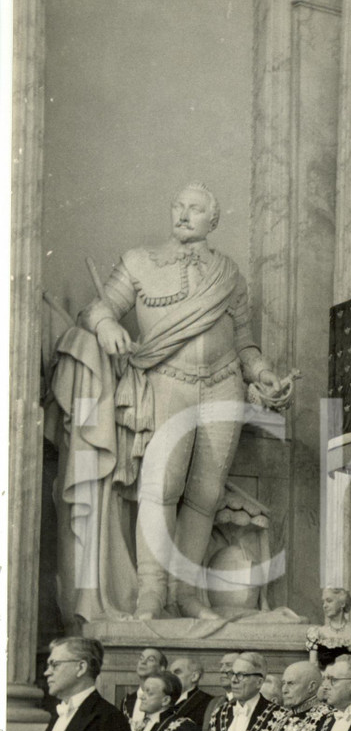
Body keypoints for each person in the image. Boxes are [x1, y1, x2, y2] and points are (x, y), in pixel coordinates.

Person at [53, 183, 288, 621]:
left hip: (224, 384)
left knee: (206, 492)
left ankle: (187, 594)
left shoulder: (229, 274)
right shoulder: (139, 261)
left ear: (212, 221)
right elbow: (97, 308)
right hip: (167, 379)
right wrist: (107, 327)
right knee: (161, 487)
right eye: (178, 206)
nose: (183, 215)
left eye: (195, 209)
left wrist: (262, 373)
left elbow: (244, 341)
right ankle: (150, 594)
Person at [305, 587, 351, 670]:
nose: (324, 606)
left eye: (329, 601)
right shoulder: (316, 633)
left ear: (342, 604)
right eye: (323, 602)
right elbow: (313, 667)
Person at [121, 647, 169, 731]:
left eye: (150, 659)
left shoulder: (165, 700)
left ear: (162, 668)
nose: (143, 662)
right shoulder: (127, 701)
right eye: (141, 658)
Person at [168, 655, 213, 725]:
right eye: (170, 673)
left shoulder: (209, 703)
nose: (170, 677)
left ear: (194, 677)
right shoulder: (164, 699)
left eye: (177, 672)